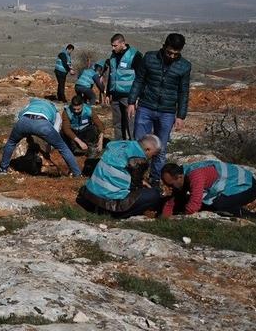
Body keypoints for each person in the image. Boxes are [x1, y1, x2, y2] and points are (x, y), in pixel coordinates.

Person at [128, 33, 191, 186]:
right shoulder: (150, 58)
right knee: (139, 145)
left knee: (161, 148)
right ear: (164, 46)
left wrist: (181, 116)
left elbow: (183, 92)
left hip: (167, 112)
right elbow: (139, 80)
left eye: (176, 54)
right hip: (145, 106)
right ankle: (135, 178)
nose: (172, 56)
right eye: (169, 52)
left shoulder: (184, 66)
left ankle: (155, 179)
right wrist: (131, 102)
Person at [75, 135, 163, 219]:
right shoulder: (139, 159)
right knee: (154, 194)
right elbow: (135, 187)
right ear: (147, 149)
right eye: (153, 155)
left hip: (90, 196)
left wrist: (140, 181)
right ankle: (118, 216)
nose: (152, 158)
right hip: (108, 204)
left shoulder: (119, 145)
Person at [0, 97, 82, 177]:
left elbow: (19, 116)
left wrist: (27, 133)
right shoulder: (55, 111)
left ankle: (2, 169)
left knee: (11, 142)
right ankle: (77, 173)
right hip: (43, 125)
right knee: (63, 147)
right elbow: (55, 130)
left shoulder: (31, 104)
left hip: (24, 122)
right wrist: (49, 146)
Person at [161, 160, 256, 218]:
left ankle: (251, 216)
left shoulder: (195, 176)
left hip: (248, 187)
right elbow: (174, 200)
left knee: (217, 204)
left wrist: (181, 217)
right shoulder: (183, 174)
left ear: (179, 177)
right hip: (237, 185)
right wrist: (164, 216)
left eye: (171, 184)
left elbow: (194, 205)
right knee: (206, 203)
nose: (170, 187)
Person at [103, 34, 143, 141]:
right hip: (115, 96)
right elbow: (112, 75)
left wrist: (137, 96)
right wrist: (108, 94)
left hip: (129, 96)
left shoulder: (134, 55)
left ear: (123, 43)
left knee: (131, 123)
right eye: (112, 45)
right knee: (117, 123)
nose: (113, 48)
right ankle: (119, 144)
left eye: (115, 45)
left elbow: (140, 77)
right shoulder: (113, 56)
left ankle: (133, 145)